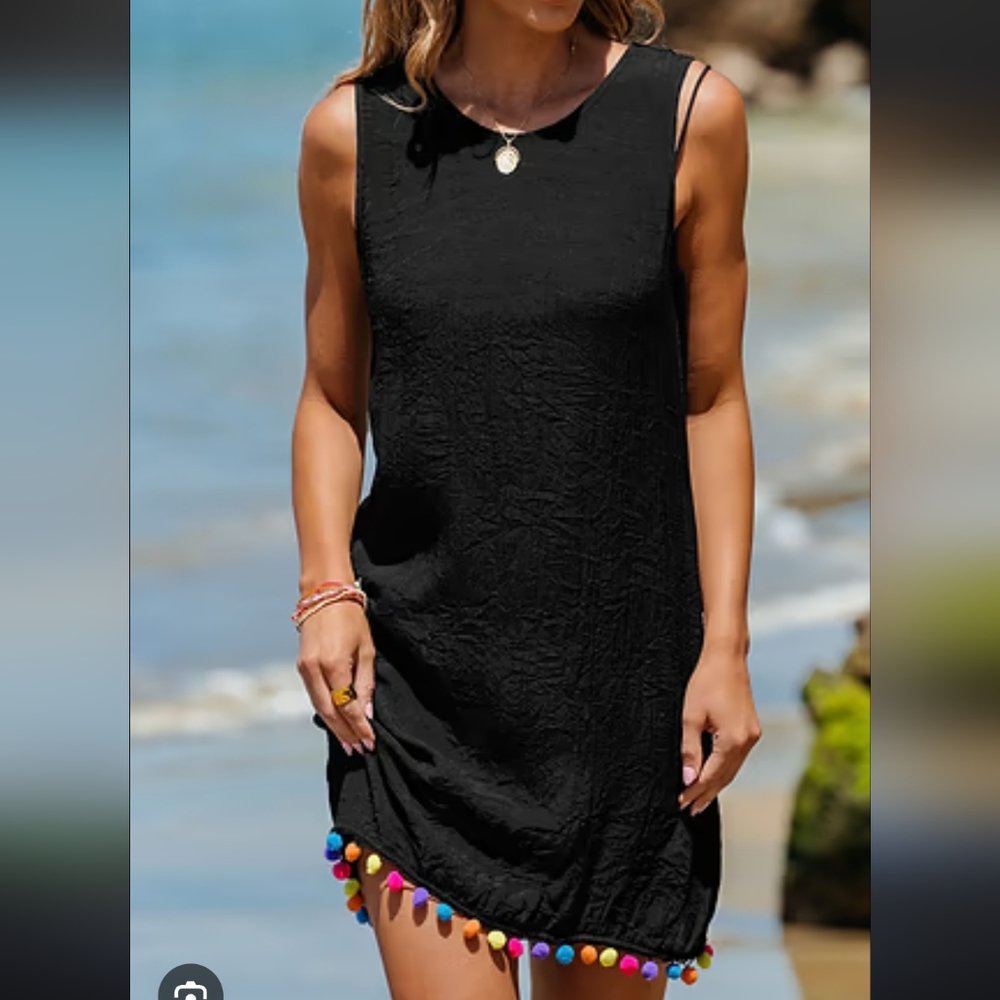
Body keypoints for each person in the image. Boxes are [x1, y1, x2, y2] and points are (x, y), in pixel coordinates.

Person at [292, 0, 760, 996]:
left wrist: (725, 646)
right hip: (420, 688)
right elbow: (332, 397)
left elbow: (713, 397)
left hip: (624, 694)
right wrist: (326, 588)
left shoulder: (693, 116)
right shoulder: (350, 135)